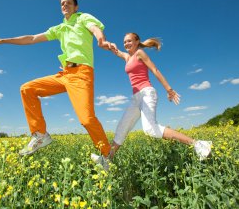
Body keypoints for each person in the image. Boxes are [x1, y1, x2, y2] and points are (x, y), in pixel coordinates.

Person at [0, 0, 115, 162]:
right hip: (64, 74)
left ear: (75, 7)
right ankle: (40, 134)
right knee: (27, 89)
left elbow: (95, 28)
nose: (65, 5)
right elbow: (32, 38)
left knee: (86, 119)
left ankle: (106, 155)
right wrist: (4, 40)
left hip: (81, 74)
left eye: (68, 3)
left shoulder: (83, 18)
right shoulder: (59, 28)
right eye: (62, 4)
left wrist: (101, 40)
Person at [91, 32, 212, 167]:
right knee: (122, 128)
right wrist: (108, 44)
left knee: (150, 129)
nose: (126, 44)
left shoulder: (140, 53)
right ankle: (106, 160)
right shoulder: (127, 57)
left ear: (137, 42)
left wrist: (169, 89)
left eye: (129, 41)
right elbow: (115, 51)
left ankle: (199, 144)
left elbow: (154, 70)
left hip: (147, 93)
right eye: (124, 42)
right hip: (136, 98)